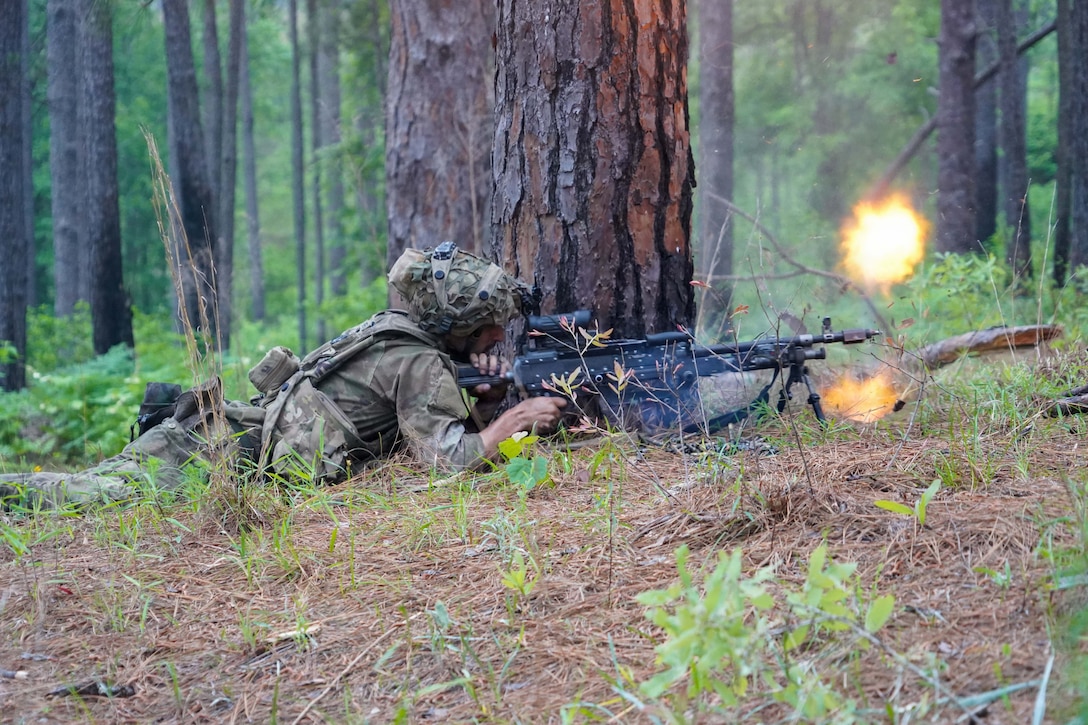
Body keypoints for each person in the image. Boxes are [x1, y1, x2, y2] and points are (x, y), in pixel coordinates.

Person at [0, 243, 567, 510]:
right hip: (223, 454)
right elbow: (448, 465)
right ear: (457, 321)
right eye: (491, 326)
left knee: (92, 483)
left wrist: (486, 403)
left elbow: (419, 420)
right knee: (83, 496)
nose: (499, 337)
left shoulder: (398, 332)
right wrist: (515, 419)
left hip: (213, 431)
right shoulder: (418, 361)